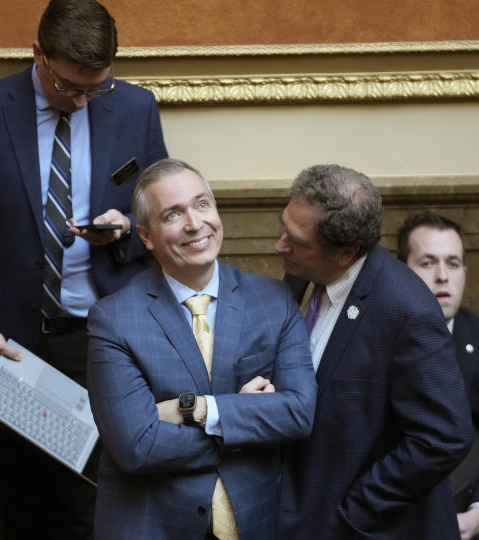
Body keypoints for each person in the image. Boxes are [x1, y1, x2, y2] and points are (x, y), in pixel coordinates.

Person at [0, 0, 167, 536]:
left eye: (94, 88)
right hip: (13, 349)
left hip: (107, 345)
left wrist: (126, 228)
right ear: (38, 55)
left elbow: (161, 223)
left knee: (100, 509)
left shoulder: (136, 109)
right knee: (27, 511)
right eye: (69, 87)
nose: (81, 102)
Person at [86, 158, 317, 539]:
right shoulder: (113, 319)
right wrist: (245, 423)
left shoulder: (274, 300)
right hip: (155, 525)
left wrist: (193, 409)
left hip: (257, 522)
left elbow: (298, 412)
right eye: (173, 214)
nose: (195, 224)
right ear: (146, 236)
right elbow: (136, 446)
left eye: (202, 204)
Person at [274, 164, 473, 539]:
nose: (280, 244)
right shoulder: (304, 271)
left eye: (296, 240)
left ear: (346, 253)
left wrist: (356, 511)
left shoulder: (407, 311)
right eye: (284, 226)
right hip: (300, 510)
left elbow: (445, 436)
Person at [398, 211, 479, 540]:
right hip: (396, 516)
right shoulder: (374, 341)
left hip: (470, 513)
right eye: (427, 263)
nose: (443, 276)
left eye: (453, 263)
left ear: (464, 272)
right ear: (401, 272)